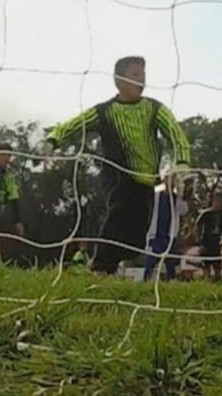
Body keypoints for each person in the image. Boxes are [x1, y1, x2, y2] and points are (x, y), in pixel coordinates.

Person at [41, 56, 191, 274]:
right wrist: (53, 139)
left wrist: (182, 163)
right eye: (135, 75)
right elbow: (75, 124)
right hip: (118, 178)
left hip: (148, 181)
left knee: (136, 236)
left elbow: (176, 134)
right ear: (118, 80)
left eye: (143, 75)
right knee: (118, 216)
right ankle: (100, 268)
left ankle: (114, 263)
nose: (142, 80)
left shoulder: (154, 109)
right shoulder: (104, 111)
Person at [144, 171, 191, 281]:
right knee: (149, 264)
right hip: (155, 236)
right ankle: (145, 283)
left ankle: (170, 285)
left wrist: (180, 194)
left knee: (171, 266)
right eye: (169, 179)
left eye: (174, 180)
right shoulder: (155, 195)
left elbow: (183, 211)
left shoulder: (176, 199)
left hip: (170, 237)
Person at [195, 193, 222, 281]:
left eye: (219, 202)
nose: (217, 203)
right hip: (206, 240)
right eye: (216, 201)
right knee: (206, 263)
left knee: (217, 263)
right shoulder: (206, 213)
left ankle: (218, 280)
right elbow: (197, 225)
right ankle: (206, 280)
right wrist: (198, 238)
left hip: (216, 241)